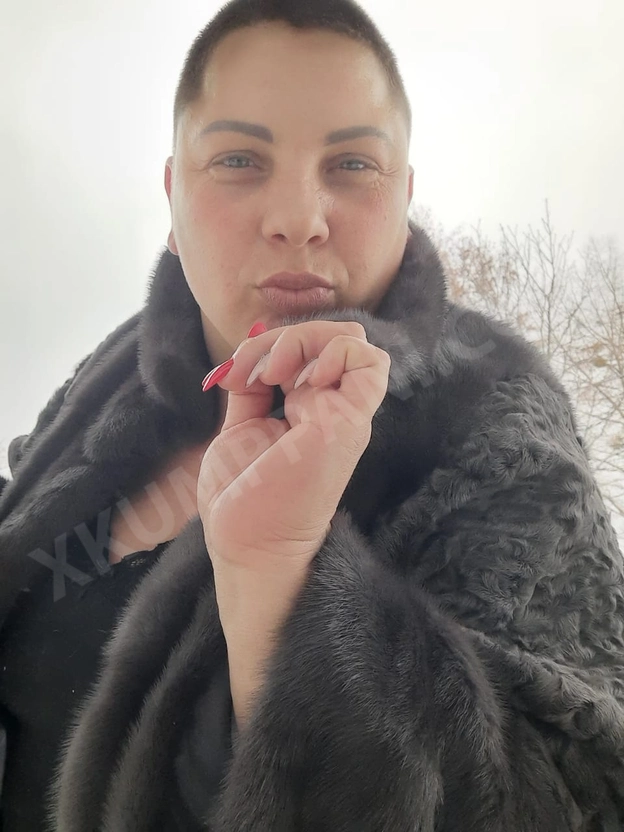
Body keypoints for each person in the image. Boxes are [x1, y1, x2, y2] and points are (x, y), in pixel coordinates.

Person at [1, 0, 623, 829]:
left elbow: (582, 788)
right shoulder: (110, 377)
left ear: (404, 197)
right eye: (237, 159)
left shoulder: (496, 412)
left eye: (353, 164)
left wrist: (280, 579)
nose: (298, 219)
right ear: (173, 195)